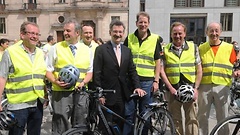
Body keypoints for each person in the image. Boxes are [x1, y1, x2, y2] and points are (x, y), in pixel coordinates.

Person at [93, 20, 146, 134]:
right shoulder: (101, 50)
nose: (118, 34)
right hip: (106, 95)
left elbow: (132, 70)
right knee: (106, 127)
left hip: (122, 95)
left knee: (120, 126)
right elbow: (97, 73)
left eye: (120, 32)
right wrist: (100, 93)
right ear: (110, 32)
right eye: (115, 32)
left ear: (124, 33)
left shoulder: (127, 51)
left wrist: (137, 86)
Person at [46, 19, 93, 134]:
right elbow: (47, 70)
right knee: (60, 125)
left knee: (80, 124)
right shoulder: (55, 48)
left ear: (77, 33)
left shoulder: (87, 50)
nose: (65, 33)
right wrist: (55, 81)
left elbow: (90, 72)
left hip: (81, 93)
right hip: (61, 93)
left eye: (68, 30)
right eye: (64, 31)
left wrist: (83, 83)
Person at [0, 21, 46, 135]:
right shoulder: (10, 52)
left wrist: (45, 94)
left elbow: (41, 76)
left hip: (37, 102)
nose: (34, 36)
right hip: (18, 104)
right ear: (22, 35)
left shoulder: (40, 53)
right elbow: (2, 77)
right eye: (31, 33)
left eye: (37, 34)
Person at [123, 11, 162, 135]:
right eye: (140, 22)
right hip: (131, 81)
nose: (143, 25)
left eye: (145, 22)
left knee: (145, 114)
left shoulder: (155, 39)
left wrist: (156, 81)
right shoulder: (129, 38)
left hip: (147, 81)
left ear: (149, 24)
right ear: (136, 23)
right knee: (129, 113)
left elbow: (158, 62)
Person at [160, 22, 202, 135]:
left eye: (180, 33)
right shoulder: (165, 49)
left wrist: (196, 89)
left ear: (185, 34)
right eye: (175, 33)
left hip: (190, 89)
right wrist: (170, 88)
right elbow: (161, 70)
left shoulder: (193, 48)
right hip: (173, 90)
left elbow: (199, 70)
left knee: (192, 120)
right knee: (175, 120)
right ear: (171, 34)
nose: (177, 36)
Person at [197, 22, 239, 135]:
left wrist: (237, 71)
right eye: (211, 30)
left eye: (216, 30)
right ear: (206, 32)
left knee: (223, 117)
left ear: (220, 32)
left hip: (223, 86)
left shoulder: (229, 48)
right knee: (202, 117)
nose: (214, 33)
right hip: (204, 87)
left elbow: (236, 65)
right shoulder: (201, 48)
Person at [80, 23, 99, 90]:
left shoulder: (97, 47)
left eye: (90, 33)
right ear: (81, 34)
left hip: (94, 81)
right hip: (81, 82)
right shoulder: (77, 47)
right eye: (86, 33)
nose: (88, 35)